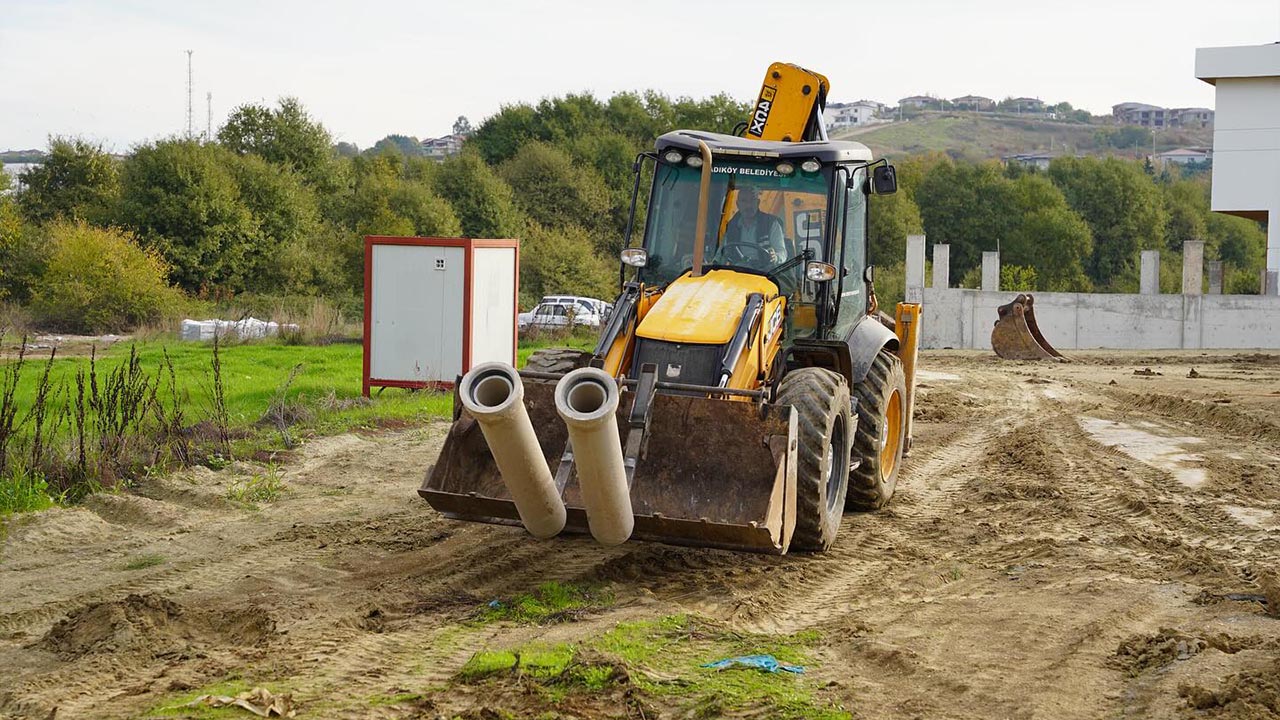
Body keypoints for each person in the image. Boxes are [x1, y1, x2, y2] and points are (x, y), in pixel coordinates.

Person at [720, 186, 786, 270]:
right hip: (737, 272)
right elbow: (721, 253)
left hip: (765, 273)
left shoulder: (771, 223)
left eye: (752, 201)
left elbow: (782, 253)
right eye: (744, 201)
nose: (748, 205)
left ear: (758, 203)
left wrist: (775, 257)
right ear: (738, 204)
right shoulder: (731, 226)